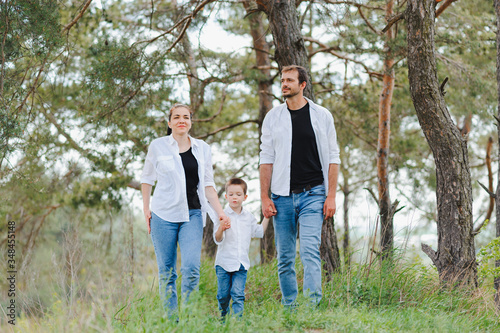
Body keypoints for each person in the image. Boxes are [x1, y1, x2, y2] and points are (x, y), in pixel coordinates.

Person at [259, 65, 340, 307]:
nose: (284, 84)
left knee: (309, 252)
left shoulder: (322, 115)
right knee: (284, 257)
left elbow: (333, 157)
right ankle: (290, 308)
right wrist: (264, 197)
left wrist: (331, 196)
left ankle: (312, 308)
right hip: (281, 196)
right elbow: (266, 159)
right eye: (283, 80)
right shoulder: (273, 117)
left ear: (302, 85)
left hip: (314, 194)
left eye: (290, 80)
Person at [140, 104, 229, 315]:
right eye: (177, 117)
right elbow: (146, 179)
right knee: (167, 272)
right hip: (163, 216)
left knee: (191, 269)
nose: (182, 120)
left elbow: (208, 185)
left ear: (191, 121)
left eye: (186, 117)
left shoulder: (203, 148)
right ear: (169, 122)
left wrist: (220, 212)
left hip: (193, 214)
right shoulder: (157, 146)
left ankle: (190, 320)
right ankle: (171, 323)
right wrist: (146, 208)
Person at [213, 177, 269, 318]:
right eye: (231, 195)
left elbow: (259, 232)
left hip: (241, 264)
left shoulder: (248, 217)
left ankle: (238, 323)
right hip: (223, 264)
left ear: (245, 197)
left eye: (238, 194)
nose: (234, 198)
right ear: (226, 197)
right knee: (223, 295)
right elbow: (217, 239)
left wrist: (267, 217)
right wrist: (221, 228)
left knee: (238, 294)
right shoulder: (222, 215)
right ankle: (223, 319)